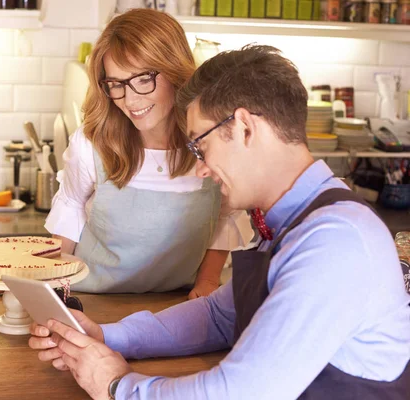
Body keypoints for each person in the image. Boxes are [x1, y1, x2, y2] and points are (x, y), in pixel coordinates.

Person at [29, 45, 410, 399]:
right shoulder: (295, 224)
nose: (200, 167)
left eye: (200, 145)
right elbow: (217, 316)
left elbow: (244, 392)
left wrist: (116, 384)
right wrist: (107, 336)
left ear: (244, 127)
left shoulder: (335, 241)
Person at [45, 8, 253, 297]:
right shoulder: (92, 142)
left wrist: (206, 282)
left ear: (175, 72)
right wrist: (45, 282)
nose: (129, 100)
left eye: (143, 79)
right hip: (92, 298)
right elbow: (70, 207)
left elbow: (227, 215)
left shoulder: (212, 141)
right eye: (116, 84)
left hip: (176, 303)